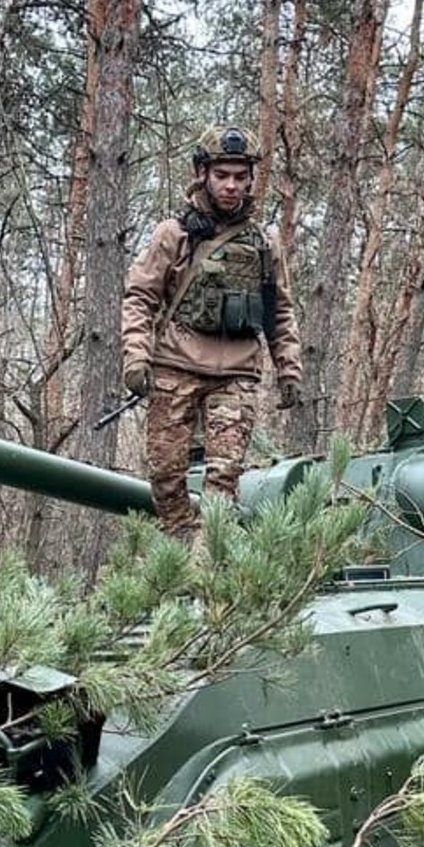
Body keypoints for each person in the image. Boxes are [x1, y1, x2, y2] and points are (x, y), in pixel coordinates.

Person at [119, 124, 303, 541]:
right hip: (174, 366)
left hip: (236, 372)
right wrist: (136, 356)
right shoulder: (174, 235)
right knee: (166, 477)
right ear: (202, 173)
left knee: (223, 480)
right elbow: (139, 298)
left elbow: (281, 311)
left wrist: (288, 368)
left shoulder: (264, 242)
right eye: (222, 175)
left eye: (241, 176)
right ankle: (181, 552)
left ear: (251, 179)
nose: (232, 186)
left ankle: (209, 571)